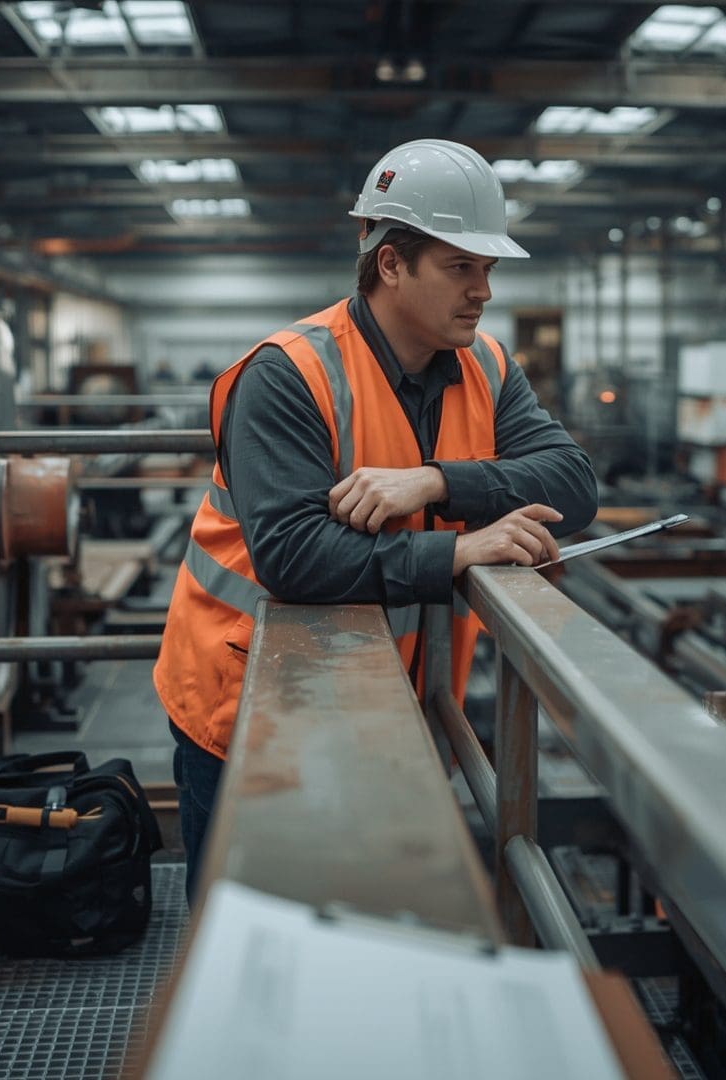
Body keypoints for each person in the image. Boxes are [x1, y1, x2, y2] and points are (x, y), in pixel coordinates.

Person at [152, 138, 599, 903]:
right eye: (462, 268)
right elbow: (294, 557)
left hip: (402, 717)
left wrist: (431, 482)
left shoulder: (487, 367)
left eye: (487, 271)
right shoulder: (288, 374)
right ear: (391, 263)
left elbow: (573, 483)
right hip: (256, 709)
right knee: (252, 937)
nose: (482, 293)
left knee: (367, 928)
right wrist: (455, 556)